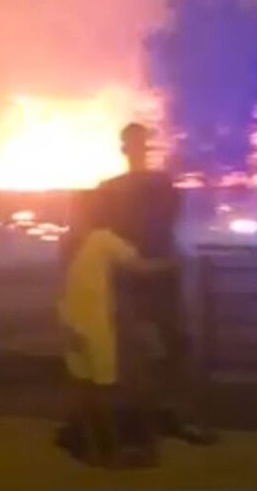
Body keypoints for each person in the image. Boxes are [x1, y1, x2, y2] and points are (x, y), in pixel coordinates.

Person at [97, 122, 216, 445]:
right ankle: (148, 420)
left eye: (140, 144)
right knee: (139, 351)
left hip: (154, 276)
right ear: (127, 149)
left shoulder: (148, 186)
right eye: (134, 144)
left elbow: (163, 225)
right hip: (139, 275)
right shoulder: (134, 187)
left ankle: (171, 416)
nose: (137, 150)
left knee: (173, 345)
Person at [58, 188, 175, 467]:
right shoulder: (103, 239)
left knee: (84, 391)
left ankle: (97, 450)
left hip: (70, 324)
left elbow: (63, 284)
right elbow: (139, 267)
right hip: (96, 327)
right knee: (103, 391)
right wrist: (173, 264)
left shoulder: (69, 242)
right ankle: (113, 452)